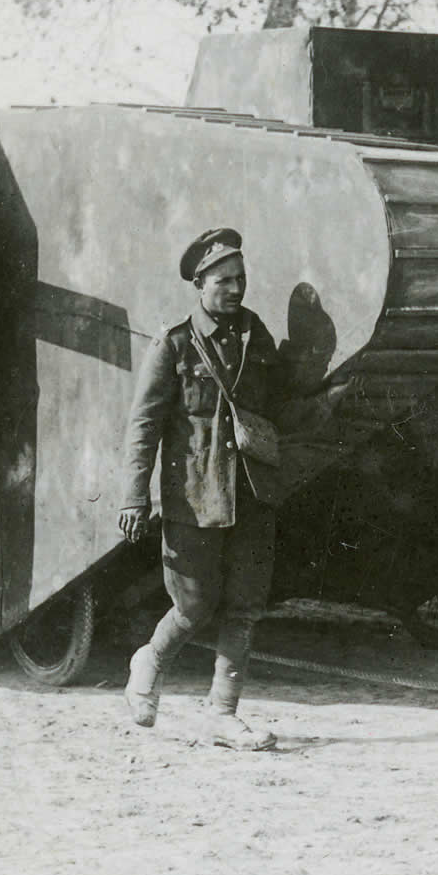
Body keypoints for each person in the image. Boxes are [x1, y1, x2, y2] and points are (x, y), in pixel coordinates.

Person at [114, 227, 331, 749]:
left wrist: (327, 403)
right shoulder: (174, 345)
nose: (235, 289)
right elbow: (143, 425)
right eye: (224, 280)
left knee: (246, 606)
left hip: (252, 492)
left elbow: (277, 406)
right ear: (199, 282)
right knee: (193, 605)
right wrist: (133, 495)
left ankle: (222, 714)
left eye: (242, 279)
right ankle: (152, 659)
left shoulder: (255, 335)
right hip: (194, 494)